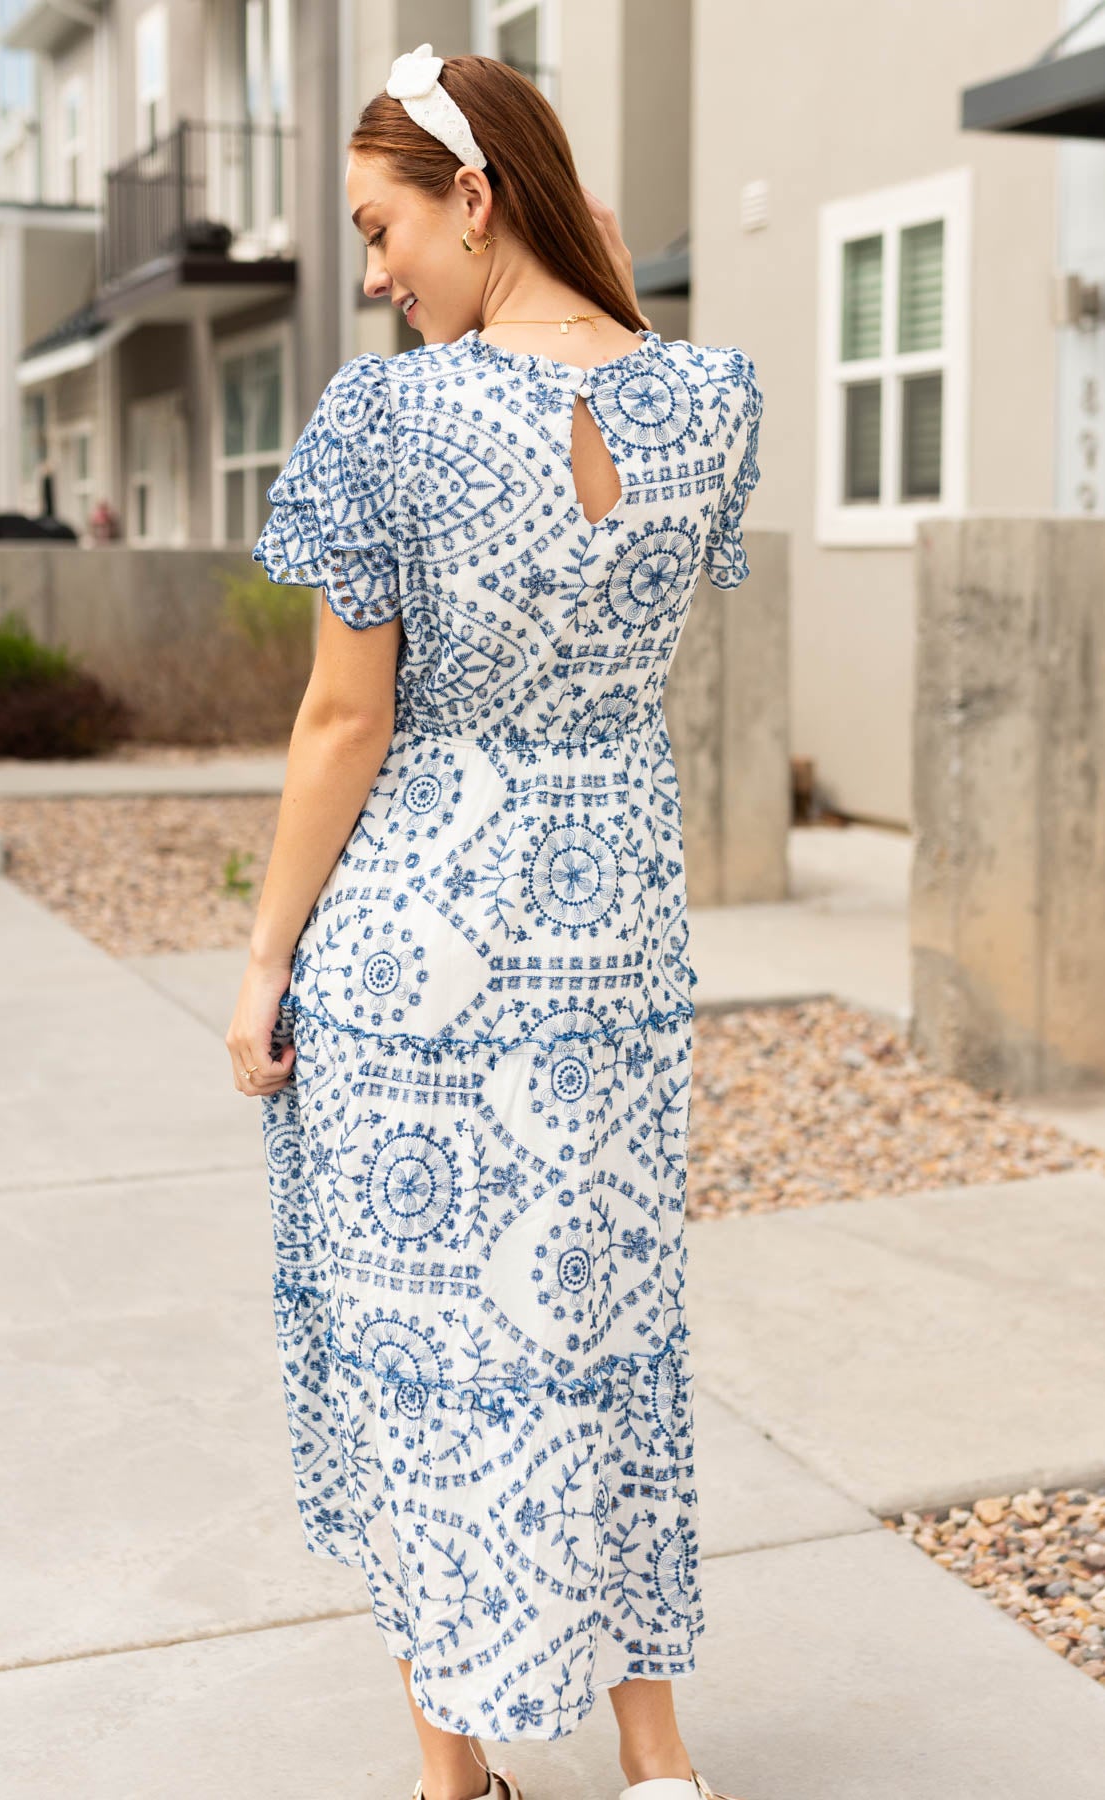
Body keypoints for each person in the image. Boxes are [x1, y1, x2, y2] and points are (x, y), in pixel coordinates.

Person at [226, 40, 762, 1800]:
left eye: (386, 227)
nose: (373, 273)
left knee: (420, 1348)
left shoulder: (388, 420)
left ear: (475, 196)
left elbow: (342, 724)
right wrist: (560, 249)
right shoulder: (705, 400)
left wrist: (260, 958)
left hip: (424, 943)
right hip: (610, 940)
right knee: (600, 1330)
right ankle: (655, 1761)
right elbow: (597, 327)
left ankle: (456, 1776)